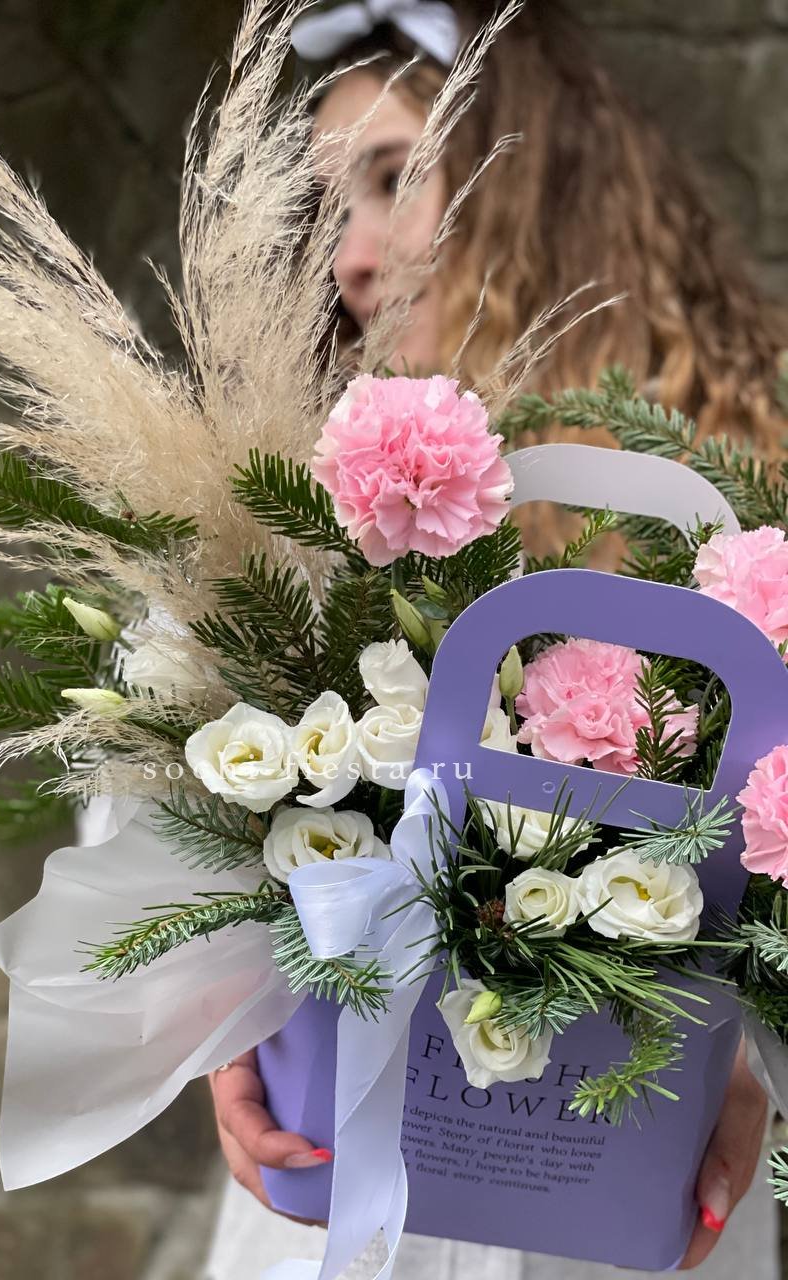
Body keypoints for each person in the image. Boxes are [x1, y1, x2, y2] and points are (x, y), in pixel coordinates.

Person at [205, 3, 787, 1277]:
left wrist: (750, 1053)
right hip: (352, 1187)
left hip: (621, 1183)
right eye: (324, 210)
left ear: (533, 186)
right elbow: (182, 815)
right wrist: (223, 1022)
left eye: (393, 180)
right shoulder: (298, 497)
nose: (349, 258)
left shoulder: (735, 511)